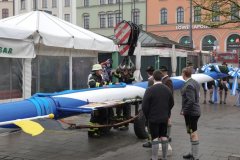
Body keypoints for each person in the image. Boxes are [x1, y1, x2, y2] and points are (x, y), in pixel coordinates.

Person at [142, 70, 174, 160]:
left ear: (153, 78)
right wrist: (167, 113)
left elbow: (144, 106)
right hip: (164, 118)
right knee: (164, 136)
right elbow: (172, 103)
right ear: (161, 78)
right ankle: (164, 157)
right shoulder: (167, 89)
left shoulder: (149, 90)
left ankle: (154, 158)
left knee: (155, 138)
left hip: (153, 118)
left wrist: (148, 116)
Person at [181, 67, 201, 160]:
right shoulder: (195, 82)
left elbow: (191, 100)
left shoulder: (189, 85)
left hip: (191, 113)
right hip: (193, 112)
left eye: (182, 73)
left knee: (193, 133)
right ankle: (192, 153)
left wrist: (184, 110)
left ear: (184, 74)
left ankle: (195, 156)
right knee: (190, 132)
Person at [88, 64, 108, 138]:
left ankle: (98, 130)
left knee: (101, 114)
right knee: (95, 116)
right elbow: (91, 83)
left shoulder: (100, 77)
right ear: (96, 71)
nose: (101, 71)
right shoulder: (92, 77)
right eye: (100, 70)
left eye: (101, 70)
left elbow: (104, 83)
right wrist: (101, 85)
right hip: (94, 99)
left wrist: (113, 84)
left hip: (99, 99)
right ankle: (92, 132)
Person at [159, 66, 174, 143]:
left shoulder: (168, 80)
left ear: (164, 72)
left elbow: (170, 93)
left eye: (161, 72)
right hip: (165, 104)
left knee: (167, 119)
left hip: (166, 104)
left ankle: (168, 135)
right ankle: (167, 135)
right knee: (167, 119)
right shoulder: (164, 79)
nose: (160, 73)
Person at [142, 66, 155, 148]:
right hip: (156, 106)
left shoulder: (150, 80)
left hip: (151, 107)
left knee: (149, 125)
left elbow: (148, 94)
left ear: (147, 72)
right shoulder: (157, 79)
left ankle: (150, 141)